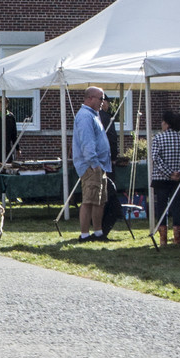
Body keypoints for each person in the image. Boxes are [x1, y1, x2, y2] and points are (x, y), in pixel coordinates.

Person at [148, 111, 180, 246]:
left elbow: (155, 158)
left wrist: (169, 172)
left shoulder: (158, 138)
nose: (161, 124)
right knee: (177, 207)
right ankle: (177, 239)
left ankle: (163, 239)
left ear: (167, 123)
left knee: (161, 206)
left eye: (163, 122)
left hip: (161, 178)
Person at [74, 87, 114, 242]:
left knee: (99, 200)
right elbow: (87, 142)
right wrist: (94, 163)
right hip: (91, 165)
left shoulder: (94, 115)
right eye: (100, 98)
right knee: (89, 200)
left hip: (100, 165)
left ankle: (98, 232)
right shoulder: (85, 116)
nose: (102, 102)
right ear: (90, 98)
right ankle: (84, 235)